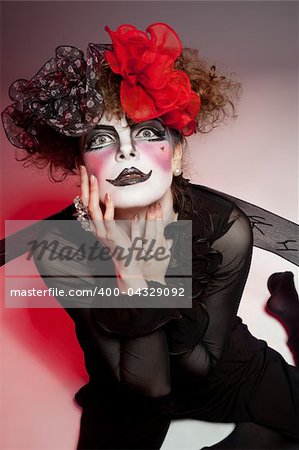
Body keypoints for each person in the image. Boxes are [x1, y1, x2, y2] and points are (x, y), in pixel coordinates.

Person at [1, 22, 299, 449]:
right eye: (103, 139)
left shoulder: (223, 228)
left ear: (176, 156)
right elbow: (149, 388)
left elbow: (200, 368)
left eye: (146, 134)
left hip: (219, 371)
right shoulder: (60, 247)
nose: (125, 151)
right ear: (82, 167)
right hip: (130, 388)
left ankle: (289, 311)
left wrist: (165, 269)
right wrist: (133, 271)